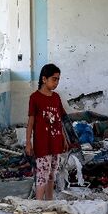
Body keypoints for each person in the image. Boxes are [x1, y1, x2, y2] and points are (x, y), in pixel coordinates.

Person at [26, 63, 69, 200]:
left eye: (58, 79)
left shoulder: (56, 97)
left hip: (55, 143)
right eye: (54, 79)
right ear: (44, 79)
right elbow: (31, 122)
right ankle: (39, 205)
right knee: (42, 176)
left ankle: (49, 204)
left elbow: (59, 120)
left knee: (52, 175)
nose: (56, 82)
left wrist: (64, 138)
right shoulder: (35, 98)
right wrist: (28, 142)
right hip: (42, 144)